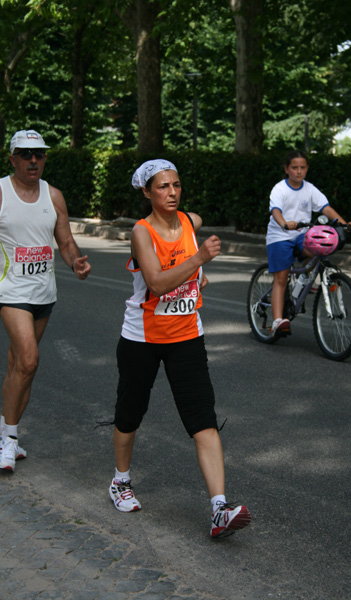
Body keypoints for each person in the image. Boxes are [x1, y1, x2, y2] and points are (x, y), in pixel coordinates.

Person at [108, 159, 251, 539]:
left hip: (187, 336)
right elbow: (155, 283)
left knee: (203, 418)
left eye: (176, 185)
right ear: (146, 192)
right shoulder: (142, 233)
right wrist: (199, 260)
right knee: (130, 413)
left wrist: (196, 276)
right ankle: (120, 480)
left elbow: (191, 242)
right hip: (143, 338)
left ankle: (219, 507)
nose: (171, 193)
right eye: (162, 187)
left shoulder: (190, 221)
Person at [0, 129, 91, 472]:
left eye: (39, 154)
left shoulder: (53, 196)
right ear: (12, 159)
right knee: (29, 359)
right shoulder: (1, 192)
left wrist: (76, 262)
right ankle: (9, 441)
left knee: (18, 366)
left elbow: (65, 242)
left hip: (43, 294)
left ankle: (3, 430)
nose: (33, 160)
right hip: (10, 292)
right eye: (25, 154)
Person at [267, 150, 351, 338]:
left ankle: (305, 280)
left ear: (307, 168)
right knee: (281, 279)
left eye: (302, 167)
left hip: (301, 234)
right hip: (280, 236)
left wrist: (343, 224)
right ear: (287, 169)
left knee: (322, 248)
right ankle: (277, 321)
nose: (299, 172)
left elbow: (326, 208)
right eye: (294, 168)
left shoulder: (309, 189)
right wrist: (284, 222)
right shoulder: (279, 189)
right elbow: (275, 211)